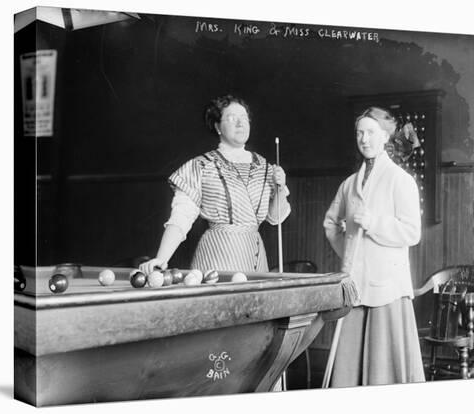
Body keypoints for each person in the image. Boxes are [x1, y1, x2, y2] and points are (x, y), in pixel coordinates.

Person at [323, 106, 425, 386]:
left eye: (370, 133)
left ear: (384, 137)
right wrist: (350, 253)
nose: (364, 139)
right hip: (355, 287)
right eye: (359, 133)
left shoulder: (400, 180)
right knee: (347, 376)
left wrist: (374, 223)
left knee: (384, 373)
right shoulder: (348, 185)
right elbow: (330, 224)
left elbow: (412, 232)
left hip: (387, 290)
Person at [140, 94, 291, 276]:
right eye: (232, 118)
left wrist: (280, 188)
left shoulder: (265, 167)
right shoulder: (201, 166)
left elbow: (276, 218)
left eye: (244, 118)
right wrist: (162, 258)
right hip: (218, 256)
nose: (240, 123)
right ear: (218, 126)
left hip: (255, 258)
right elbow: (181, 216)